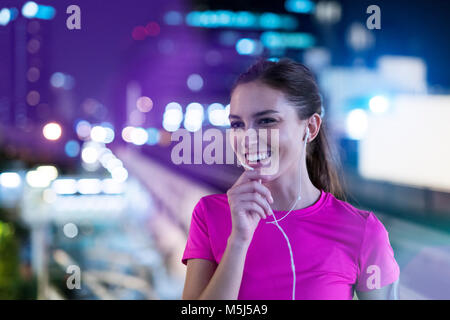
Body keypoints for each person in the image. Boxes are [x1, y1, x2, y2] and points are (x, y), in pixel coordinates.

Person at [181, 58, 400, 300]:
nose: (247, 138)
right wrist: (238, 241)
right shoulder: (209, 215)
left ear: (311, 127)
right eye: (237, 124)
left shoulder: (363, 232)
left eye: (266, 121)